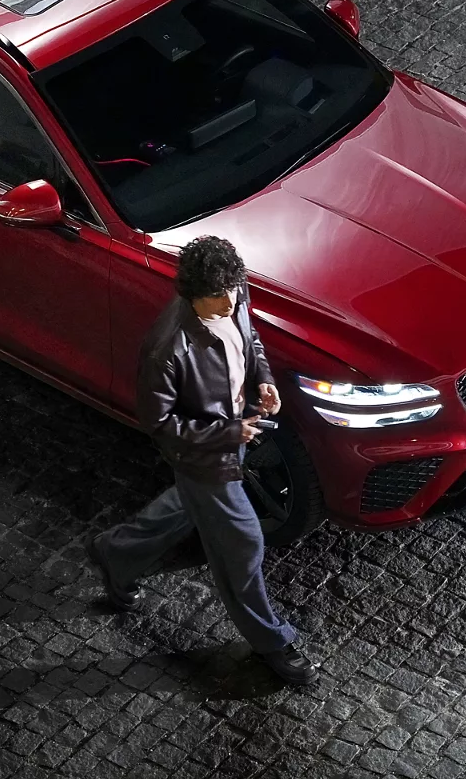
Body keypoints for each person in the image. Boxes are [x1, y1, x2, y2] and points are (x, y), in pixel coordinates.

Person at [86, 235, 318, 686]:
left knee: (187, 507)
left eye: (234, 290)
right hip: (203, 456)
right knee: (241, 545)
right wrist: (229, 432)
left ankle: (116, 552)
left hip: (226, 443)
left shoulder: (233, 289)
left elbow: (248, 340)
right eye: (218, 296)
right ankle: (272, 642)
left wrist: (263, 380)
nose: (231, 302)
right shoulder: (168, 350)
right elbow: (160, 424)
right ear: (191, 294)